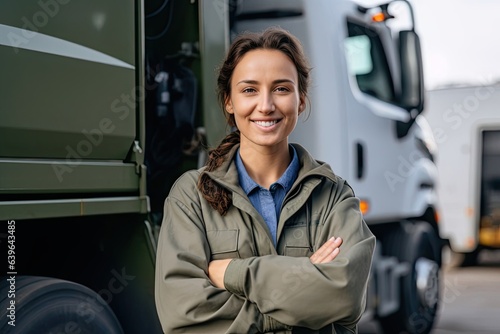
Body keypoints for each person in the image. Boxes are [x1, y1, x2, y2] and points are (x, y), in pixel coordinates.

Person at [155, 27, 375, 334]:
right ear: (229, 102)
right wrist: (305, 288)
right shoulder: (190, 196)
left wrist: (233, 273)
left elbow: (344, 296)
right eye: (249, 90)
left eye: (282, 89)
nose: (266, 105)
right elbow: (185, 315)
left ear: (301, 100)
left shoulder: (333, 195)